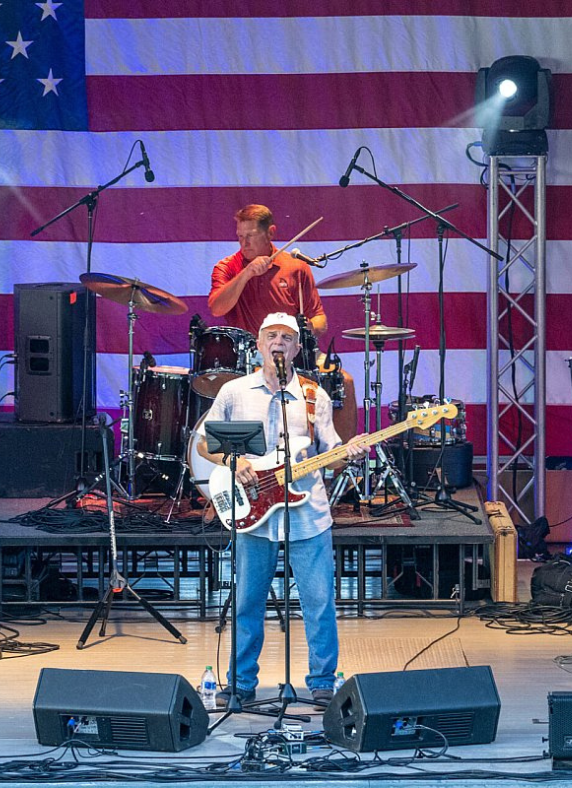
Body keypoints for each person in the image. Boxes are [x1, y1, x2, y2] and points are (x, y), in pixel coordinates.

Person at [197, 312, 368, 707]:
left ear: (296, 348)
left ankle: (322, 681)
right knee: (247, 602)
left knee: (319, 602)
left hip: (307, 513)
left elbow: (331, 454)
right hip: (254, 513)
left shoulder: (313, 395)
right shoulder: (235, 392)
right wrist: (233, 461)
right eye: (271, 336)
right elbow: (206, 443)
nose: (278, 343)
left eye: (286, 338)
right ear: (259, 344)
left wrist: (349, 453)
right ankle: (241, 682)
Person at [208, 204, 357, 442]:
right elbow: (217, 308)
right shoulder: (227, 267)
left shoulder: (296, 268)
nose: (244, 243)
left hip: (293, 350)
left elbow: (320, 319)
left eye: (250, 236)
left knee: (344, 382)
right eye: (240, 237)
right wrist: (247, 274)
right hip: (250, 354)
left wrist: (306, 327)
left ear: (270, 233)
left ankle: (341, 460)